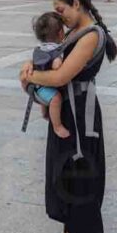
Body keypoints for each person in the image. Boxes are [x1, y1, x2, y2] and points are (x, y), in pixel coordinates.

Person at [21, 0, 117, 233]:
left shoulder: (91, 35)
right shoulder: (74, 32)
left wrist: (29, 78)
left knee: (79, 181)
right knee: (64, 178)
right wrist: (29, 64)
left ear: (77, 4)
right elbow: (50, 54)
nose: (59, 16)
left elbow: (61, 76)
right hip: (66, 114)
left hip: (80, 118)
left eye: (61, 10)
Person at [29, 11, 71, 139]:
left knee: (49, 96)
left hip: (38, 85)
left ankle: (44, 112)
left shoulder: (40, 47)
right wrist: (59, 61)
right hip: (44, 86)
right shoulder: (55, 50)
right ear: (60, 33)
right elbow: (56, 66)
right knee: (56, 98)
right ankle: (57, 126)